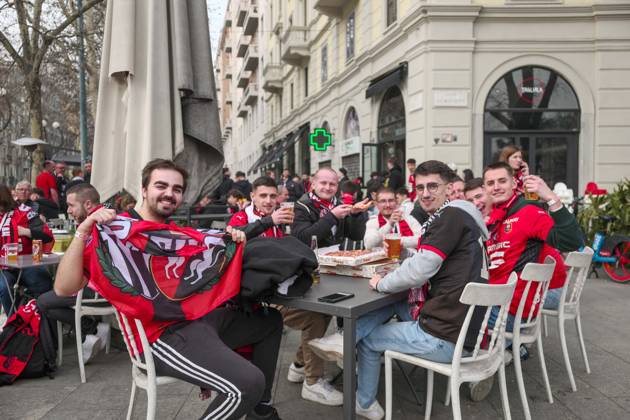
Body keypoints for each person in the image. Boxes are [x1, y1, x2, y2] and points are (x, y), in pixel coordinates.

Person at [54, 159, 284, 420]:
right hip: (157, 339)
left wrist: (232, 239)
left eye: (177, 189)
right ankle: (249, 398)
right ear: (143, 189)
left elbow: (207, 250)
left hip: (195, 322)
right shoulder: (114, 231)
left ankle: (259, 412)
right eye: (161, 185)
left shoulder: (174, 233)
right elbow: (63, 288)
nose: (169, 193)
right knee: (249, 383)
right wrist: (83, 230)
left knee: (271, 321)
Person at [310, 160, 490, 419]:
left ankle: (363, 400)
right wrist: (401, 249)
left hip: (446, 336)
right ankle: (343, 340)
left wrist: (382, 282)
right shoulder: (464, 217)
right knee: (395, 300)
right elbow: (426, 248)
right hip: (465, 326)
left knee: (371, 340)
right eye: (421, 188)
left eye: (433, 187)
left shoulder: (449, 217)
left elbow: (421, 269)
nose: (426, 193)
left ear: (449, 188)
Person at [229, 176, 342, 406]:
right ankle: (312, 382)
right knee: (315, 317)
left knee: (326, 308)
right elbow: (232, 239)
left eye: (273, 196)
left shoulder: (280, 217)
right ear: (252, 196)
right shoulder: (243, 217)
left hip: (279, 290)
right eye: (263, 196)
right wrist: (269, 221)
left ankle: (300, 365)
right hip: (256, 299)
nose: (269, 201)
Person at [482, 162, 583, 378]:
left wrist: (551, 198)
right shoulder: (496, 218)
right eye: (490, 183)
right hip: (504, 302)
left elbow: (571, 241)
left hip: (511, 310)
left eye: (502, 181)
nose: (496, 187)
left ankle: (484, 361)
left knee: (454, 313)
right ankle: (502, 351)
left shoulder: (527, 212)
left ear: (513, 184)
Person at [37, 183, 110, 364]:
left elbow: (77, 271)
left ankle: (91, 329)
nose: (68, 210)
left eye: (71, 205)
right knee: (48, 300)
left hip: (100, 292)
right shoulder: (104, 219)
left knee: (43, 302)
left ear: (87, 205)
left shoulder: (95, 226)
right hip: (108, 289)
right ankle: (92, 329)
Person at [0, 184, 54, 315]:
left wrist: (26, 232)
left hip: (27, 263)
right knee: (5, 288)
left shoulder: (24, 212)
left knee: (43, 283)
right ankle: (14, 325)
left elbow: (47, 236)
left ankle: (42, 320)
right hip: (2, 267)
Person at [291, 167, 370, 248]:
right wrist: (332, 216)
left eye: (332, 184)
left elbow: (356, 237)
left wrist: (355, 215)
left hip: (336, 257)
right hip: (311, 259)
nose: (328, 188)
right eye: (323, 183)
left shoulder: (339, 204)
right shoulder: (301, 206)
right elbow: (301, 239)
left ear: (337, 187)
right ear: (313, 185)